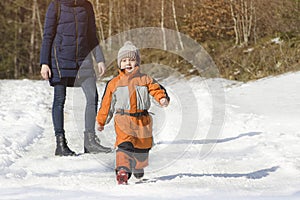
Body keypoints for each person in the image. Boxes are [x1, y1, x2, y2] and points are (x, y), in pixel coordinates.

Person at [40, 0, 111, 156]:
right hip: (60, 59)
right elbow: (48, 35)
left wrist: (99, 59)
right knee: (59, 100)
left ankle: (90, 142)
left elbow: (92, 34)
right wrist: (44, 62)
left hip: (83, 59)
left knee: (92, 96)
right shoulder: (56, 5)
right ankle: (60, 144)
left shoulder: (87, 6)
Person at [96, 41, 170, 184]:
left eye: (131, 59)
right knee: (124, 145)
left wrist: (162, 99)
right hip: (123, 119)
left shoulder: (145, 79)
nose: (128, 63)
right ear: (119, 63)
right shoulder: (114, 83)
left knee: (143, 148)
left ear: (137, 62)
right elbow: (107, 104)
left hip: (143, 120)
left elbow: (157, 89)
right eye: (124, 60)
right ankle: (123, 171)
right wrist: (101, 121)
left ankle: (138, 165)